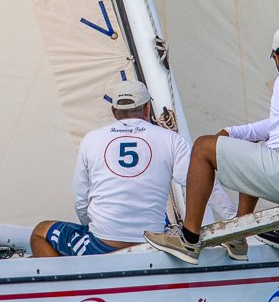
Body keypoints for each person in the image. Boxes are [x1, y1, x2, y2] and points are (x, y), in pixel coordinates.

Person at [144, 23, 279, 265]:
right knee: (247, 153)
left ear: (278, 57)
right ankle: (238, 236)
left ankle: (188, 239)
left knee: (203, 147)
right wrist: (232, 133)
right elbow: (277, 124)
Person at [30, 80, 193, 257]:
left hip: (101, 245)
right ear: (147, 108)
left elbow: (81, 200)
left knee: (41, 231)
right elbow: (195, 183)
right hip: (154, 243)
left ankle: (67, 283)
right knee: (161, 218)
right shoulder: (172, 139)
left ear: (114, 112)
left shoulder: (91, 139)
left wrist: (96, 228)